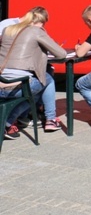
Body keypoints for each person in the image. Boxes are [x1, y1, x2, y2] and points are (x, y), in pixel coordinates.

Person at [0, 7, 66, 139]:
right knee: (45, 82)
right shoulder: (36, 31)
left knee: (37, 88)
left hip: (2, 81)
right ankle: (6, 124)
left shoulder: (9, 29)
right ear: (41, 22)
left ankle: (10, 122)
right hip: (17, 85)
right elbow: (61, 53)